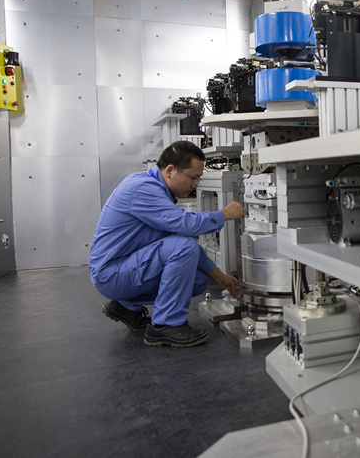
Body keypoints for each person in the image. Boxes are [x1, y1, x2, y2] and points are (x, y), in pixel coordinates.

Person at [88, 140, 246, 347]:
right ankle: (165, 325)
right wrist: (223, 214)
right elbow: (186, 226)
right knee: (184, 247)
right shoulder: (142, 188)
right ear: (170, 170)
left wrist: (219, 277)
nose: (195, 185)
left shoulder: (159, 192)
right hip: (111, 274)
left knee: (198, 280)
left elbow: (180, 239)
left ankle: (126, 307)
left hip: (123, 268)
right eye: (193, 178)